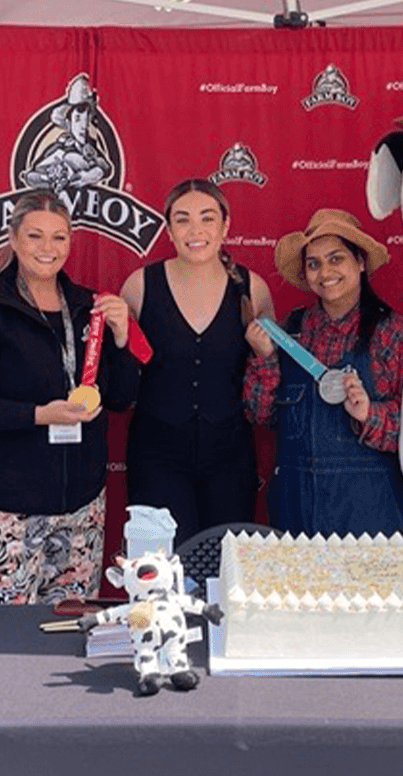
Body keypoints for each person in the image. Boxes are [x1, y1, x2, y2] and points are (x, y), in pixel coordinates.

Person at [0, 191, 141, 604]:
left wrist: (122, 340)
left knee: (65, 635)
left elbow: (120, 398)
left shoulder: (90, 307)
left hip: (79, 510)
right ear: (13, 239)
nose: (48, 249)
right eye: (35, 236)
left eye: (59, 238)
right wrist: (39, 415)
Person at [243, 208, 403, 537]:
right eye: (314, 263)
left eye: (336, 259)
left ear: (361, 262)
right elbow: (260, 415)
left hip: (371, 515)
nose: (325, 272)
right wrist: (265, 358)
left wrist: (370, 414)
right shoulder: (291, 332)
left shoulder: (392, 334)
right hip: (296, 510)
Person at [121, 178, 274, 545]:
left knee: (223, 571)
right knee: (160, 575)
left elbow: (267, 385)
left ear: (225, 225)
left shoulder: (252, 289)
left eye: (207, 218)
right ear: (169, 229)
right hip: (156, 457)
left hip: (230, 460)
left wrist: (266, 355)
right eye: (183, 219)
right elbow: (120, 383)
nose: (196, 230)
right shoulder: (140, 285)